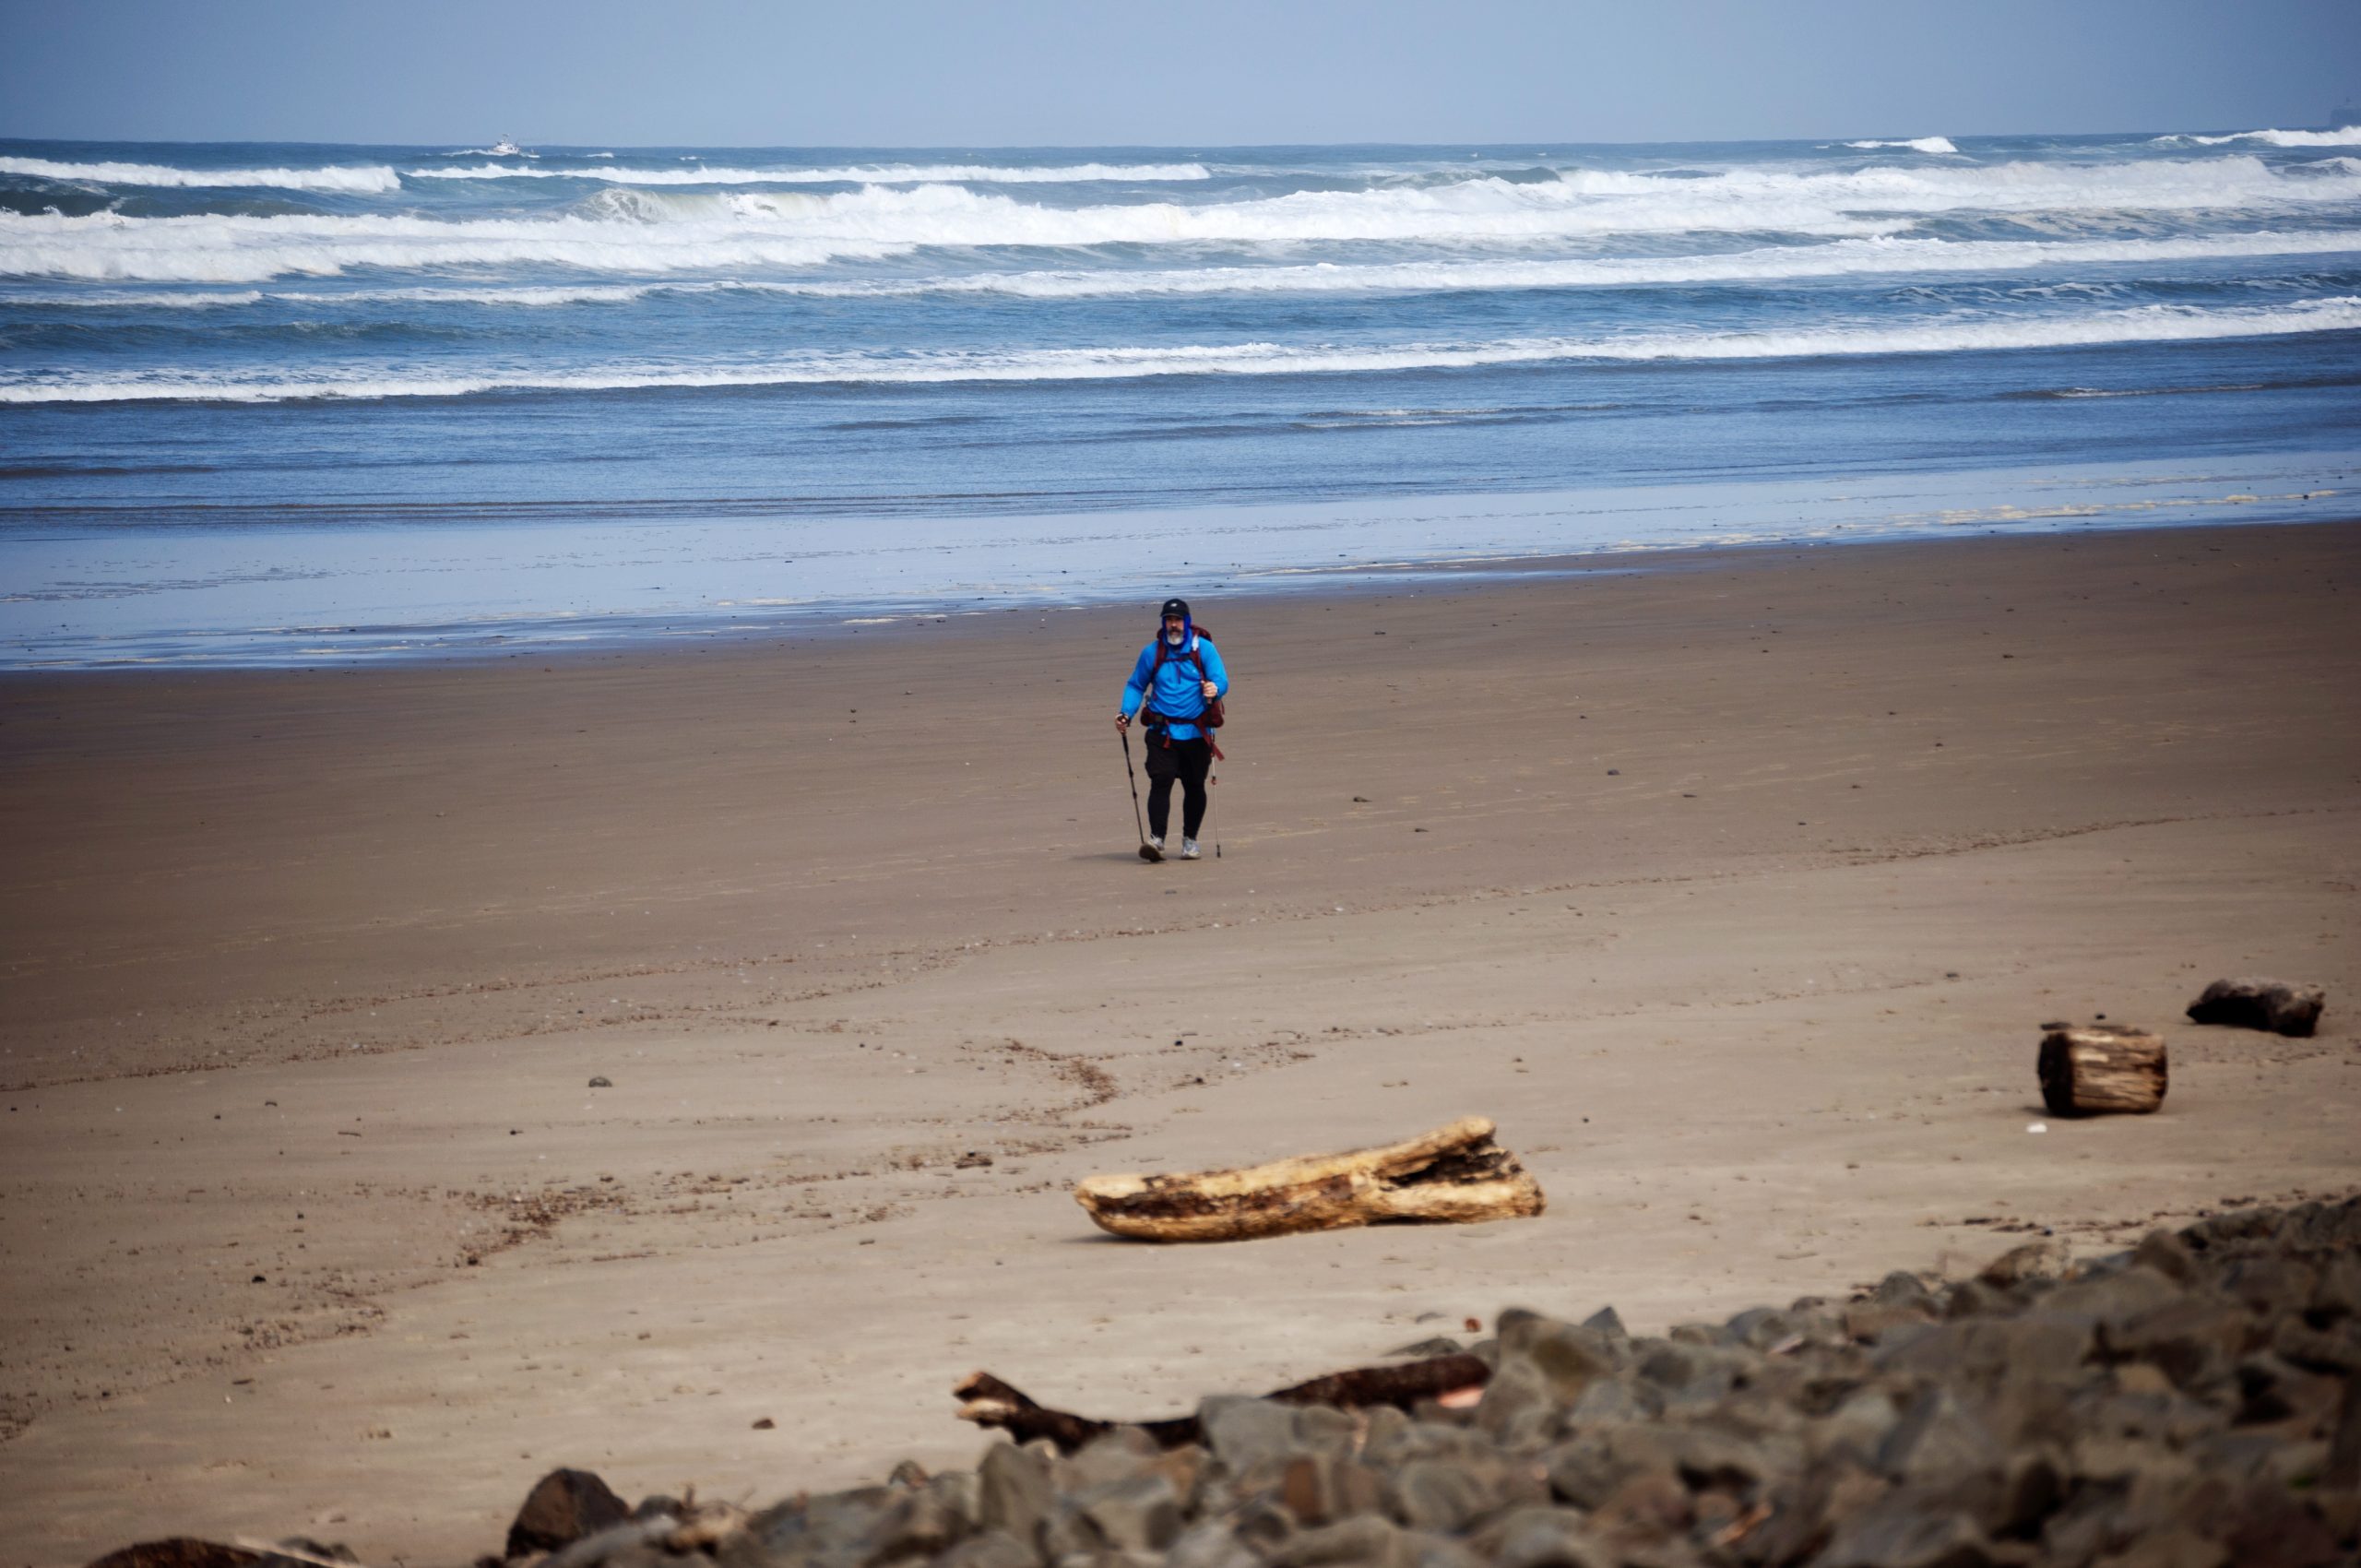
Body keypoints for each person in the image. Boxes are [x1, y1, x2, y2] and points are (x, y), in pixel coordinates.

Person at [1117, 597, 1228, 860]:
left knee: (1194, 786)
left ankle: (1190, 840)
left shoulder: (1205, 650)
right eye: (1169, 620)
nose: (1173, 625)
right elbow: (1136, 685)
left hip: (1196, 733)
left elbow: (1221, 679)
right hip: (1162, 733)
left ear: (1187, 622)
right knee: (1161, 779)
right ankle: (1156, 841)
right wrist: (1125, 713)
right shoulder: (1152, 653)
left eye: (1178, 620)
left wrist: (1216, 688)